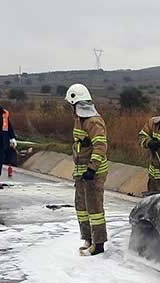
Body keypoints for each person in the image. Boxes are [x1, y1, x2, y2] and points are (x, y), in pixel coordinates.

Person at [65, 83, 109, 256]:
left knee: (94, 208)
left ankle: (98, 245)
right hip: (81, 170)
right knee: (81, 207)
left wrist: (92, 169)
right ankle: (88, 238)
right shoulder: (79, 119)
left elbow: (100, 147)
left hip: (93, 172)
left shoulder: (93, 121)